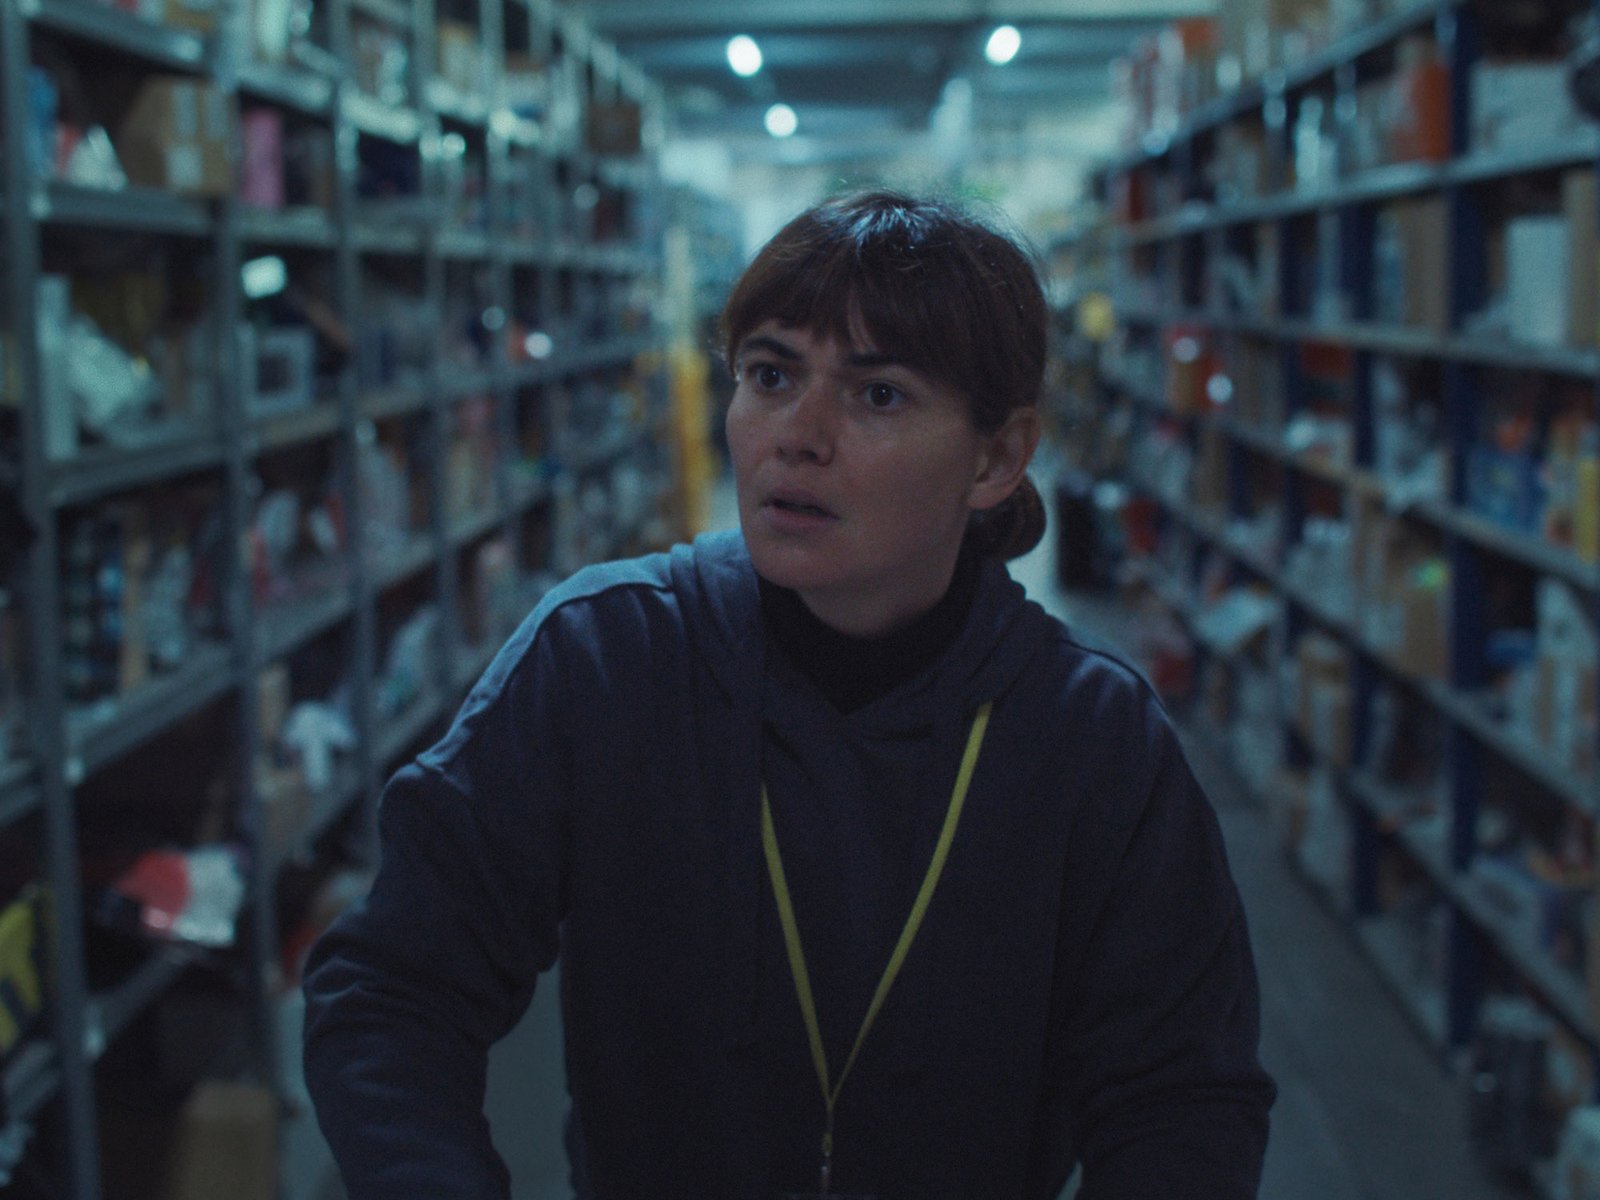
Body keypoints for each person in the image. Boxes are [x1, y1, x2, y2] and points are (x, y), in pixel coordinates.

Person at [303, 189, 1276, 1199]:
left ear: (996, 457)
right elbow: (393, 989)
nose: (796, 435)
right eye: (769, 375)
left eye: (878, 395)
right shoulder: (606, 659)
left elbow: (1180, 1098)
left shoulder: (1090, 735)